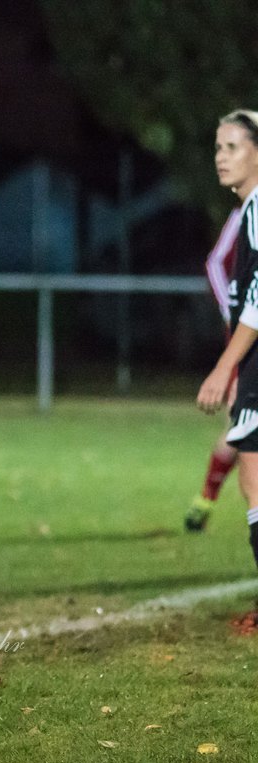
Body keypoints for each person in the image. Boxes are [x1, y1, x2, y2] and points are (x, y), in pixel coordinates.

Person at [198, 109, 258, 627]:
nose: (221, 156)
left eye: (233, 146)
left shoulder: (256, 212)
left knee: (256, 480)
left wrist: (224, 365)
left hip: (252, 357)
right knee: (254, 482)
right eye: (218, 147)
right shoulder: (246, 211)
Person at [184, 206, 243, 531]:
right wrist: (229, 310)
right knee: (241, 423)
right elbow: (216, 264)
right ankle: (205, 498)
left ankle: (205, 499)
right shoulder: (246, 213)